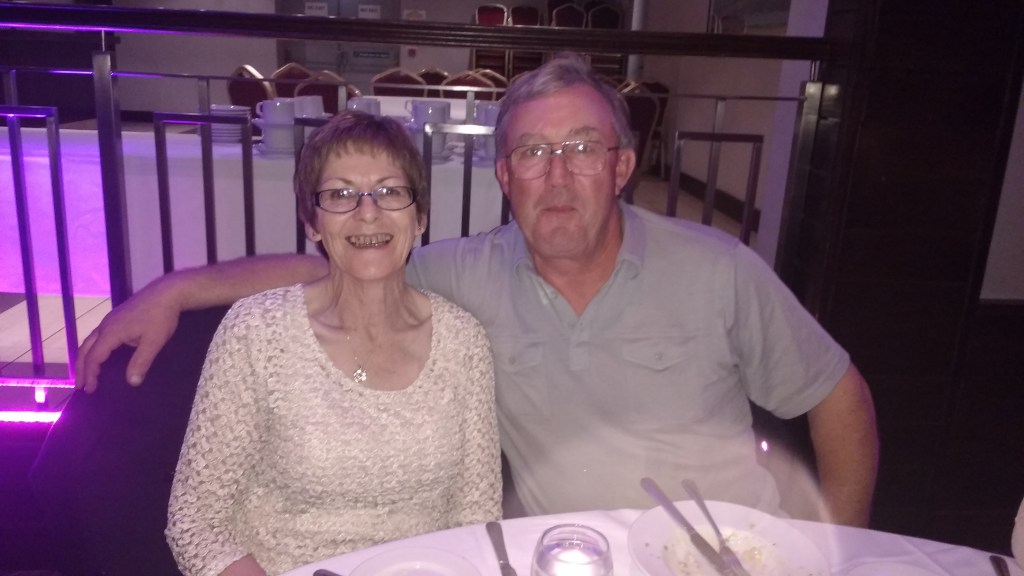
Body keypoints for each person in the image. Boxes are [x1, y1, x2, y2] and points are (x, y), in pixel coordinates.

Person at [78, 53, 878, 528]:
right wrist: (180, 288)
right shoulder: (466, 278)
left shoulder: (719, 270)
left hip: (729, 555)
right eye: (531, 153)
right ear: (504, 177)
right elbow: (343, 262)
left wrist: (837, 551)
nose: (556, 174)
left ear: (622, 167)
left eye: (581, 148)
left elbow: (839, 397)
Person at [163, 112, 501, 576]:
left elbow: (477, 518)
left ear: (420, 217)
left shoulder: (464, 343)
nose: (368, 212)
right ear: (313, 222)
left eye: (390, 191)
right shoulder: (256, 333)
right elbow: (196, 522)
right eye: (341, 194)